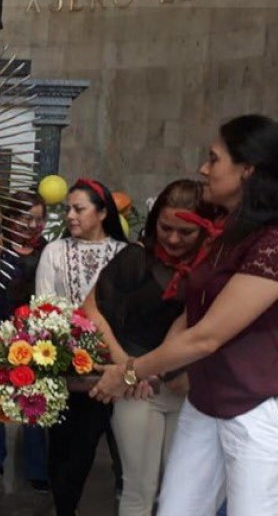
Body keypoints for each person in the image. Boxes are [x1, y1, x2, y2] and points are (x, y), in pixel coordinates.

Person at [91, 114, 278, 516]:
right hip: (209, 401)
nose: (203, 168)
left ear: (247, 170)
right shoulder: (231, 232)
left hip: (265, 407)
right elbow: (193, 318)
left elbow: (208, 336)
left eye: (214, 159)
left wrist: (128, 371)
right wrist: (144, 369)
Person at [83, 180, 216, 516]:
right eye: (166, 228)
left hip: (192, 390)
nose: (172, 239)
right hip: (138, 388)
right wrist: (127, 365)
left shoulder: (214, 269)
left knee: (182, 491)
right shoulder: (136, 258)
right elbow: (92, 308)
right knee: (139, 489)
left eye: (185, 233)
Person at [34, 178, 128, 516]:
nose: (70, 216)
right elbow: (44, 307)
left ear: (102, 212)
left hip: (113, 368)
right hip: (64, 366)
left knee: (106, 449)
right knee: (63, 449)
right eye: (67, 209)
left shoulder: (123, 253)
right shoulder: (54, 251)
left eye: (79, 209)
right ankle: (65, 509)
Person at [0, 191, 49, 490]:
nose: (34, 225)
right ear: (10, 217)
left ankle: (37, 469)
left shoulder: (46, 249)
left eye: (39, 218)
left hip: (33, 334)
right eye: (26, 218)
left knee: (36, 401)